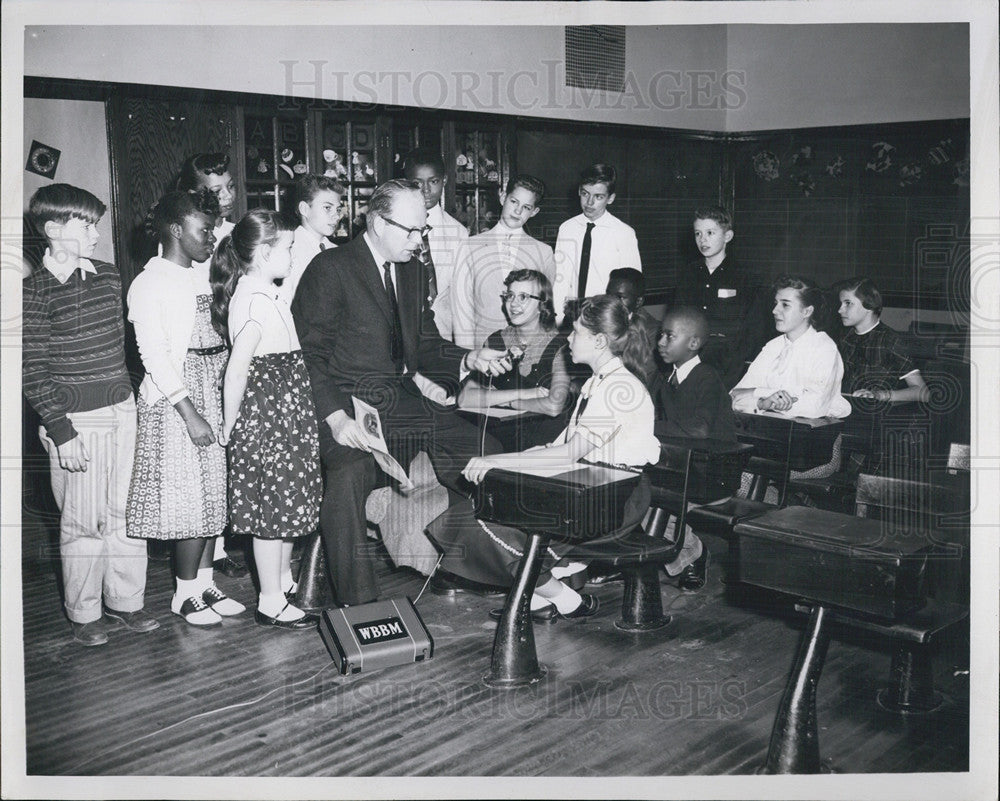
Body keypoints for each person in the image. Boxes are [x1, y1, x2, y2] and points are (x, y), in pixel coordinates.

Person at [290, 179, 513, 606]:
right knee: (349, 477)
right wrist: (337, 419)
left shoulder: (412, 270)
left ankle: (510, 570)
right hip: (345, 407)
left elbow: (424, 342)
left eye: (422, 230)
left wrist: (471, 359)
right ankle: (363, 607)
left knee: (485, 446)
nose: (418, 240)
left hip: (399, 402)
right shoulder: (331, 269)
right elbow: (308, 357)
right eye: (409, 231)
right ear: (375, 222)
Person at [429, 294, 659, 621]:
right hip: (592, 486)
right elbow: (560, 448)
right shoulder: (599, 382)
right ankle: (542, 597)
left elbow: (569, 454)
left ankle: (564, 599)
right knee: (486, 511)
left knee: (497, 523)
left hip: (616, 497)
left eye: (576, 332)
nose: (567, 338)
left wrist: (497, 462)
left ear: (599, 341)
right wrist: (518, 460)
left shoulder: (618, 388)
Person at [23, 184, 156, 646]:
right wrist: (61, 432)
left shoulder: (108, 275)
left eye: (96, 223)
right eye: (87, 224)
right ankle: (84, 613)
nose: (97, 232)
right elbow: (33, 371)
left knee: (125, 512)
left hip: (123, 409)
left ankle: (126, 603)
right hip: (77, 421)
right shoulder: (33, 292)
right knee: (83, 521)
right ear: (54, 230)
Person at [126, 189, 247, 626]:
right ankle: (184, 592)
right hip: (178, 399)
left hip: (210, 384)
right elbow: (154, 356)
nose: (212, 238)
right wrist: (190, 411)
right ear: (176, 230)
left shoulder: (198, 273)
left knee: (214, 493)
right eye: (204, 230)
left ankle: (205, 582)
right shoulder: (149, 282)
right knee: (188, 500)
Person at [211, 209, 323, 630]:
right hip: (269, 420)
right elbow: (237, 371)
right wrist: (229, 423)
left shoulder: (268, 291)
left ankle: (283, 579)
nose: (293, 254)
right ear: (262, 252)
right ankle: (270, 601)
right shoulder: (254, 300)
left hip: (287, 414)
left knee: (289, 503)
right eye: (288, 248)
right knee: (271, 513)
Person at [175, 151, 247, 577]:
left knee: (231, 445)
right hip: (199, 353)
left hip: (234, 344)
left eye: (229, 187)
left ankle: (222, 536)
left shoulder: (240, 234)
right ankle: (210, 551)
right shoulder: (187, 237)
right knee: (206, 457)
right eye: (213, 190)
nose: (224, 197)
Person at [731, 275, 851, 492]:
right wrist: (765, 398)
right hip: (769, 443)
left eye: (785, 305)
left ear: (807, 311)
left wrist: (762, 400)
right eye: (776, 303)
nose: (775, 310)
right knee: (730, 468)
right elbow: (734, 396)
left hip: (815, 452)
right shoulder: (773, 347)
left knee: (744, 475)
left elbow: (815, 407)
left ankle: (761, 522)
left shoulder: (824, 348)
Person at [655, 307, 738, 590]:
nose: (661, 342)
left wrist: (646, 426)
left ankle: (693, 553)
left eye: (669, 336)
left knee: (646, 498)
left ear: (693, 343)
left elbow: (699, 430)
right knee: (631, 490)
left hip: (711, 477)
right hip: (681, 472)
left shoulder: (706, 378)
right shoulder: (668, 379)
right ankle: (666, 555)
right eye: (660, 335)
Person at [458, 269, 572, 450]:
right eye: (510, 296)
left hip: (545, 442)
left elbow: (553, 405)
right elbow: (465, 398)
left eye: (523, 297)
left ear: (542, 304)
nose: (513, 303)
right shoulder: (496, 340)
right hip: (500, 437)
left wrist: (505, 401)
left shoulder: (562, 345)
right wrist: (523, 394)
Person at [451, 174, 556, 350]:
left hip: (528, 351)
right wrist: (468, 360)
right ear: (502, 197)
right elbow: (462, 310)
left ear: (534, 212)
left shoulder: (543, 252)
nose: (517, 211)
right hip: (483, 350)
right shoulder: (469, 246)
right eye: (514, 202)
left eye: (526, 207)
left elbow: (546, 310)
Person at [672, 205, 771, 389]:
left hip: (730, 366)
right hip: (691, 360)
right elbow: (679, 321)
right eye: (698, 233)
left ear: (727, 236)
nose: (703, 240)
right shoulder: (689, 274)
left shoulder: (745, 277)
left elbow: (753, 331)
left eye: (710, 232)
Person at [553, 164, 641, 322]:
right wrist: (557, 319)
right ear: (579, 191)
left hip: (604, 317)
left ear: (611, 198)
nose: (589, 202)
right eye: (585, 193)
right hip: (570, 315)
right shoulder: (566, 228)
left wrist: (621, 324)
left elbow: (630, 288)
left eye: (598, 196)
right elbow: (560, 278)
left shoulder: (624, 233)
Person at [402, 148, 470, 339]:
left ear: (445, 180)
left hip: (441, 332)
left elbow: (461, 297)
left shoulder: (458, 233)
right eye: (417, 183)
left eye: (433, 182)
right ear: (407, 183)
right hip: (400, 331)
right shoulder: (394, 227)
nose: (426, 190)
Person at [836, 277, 929, 403]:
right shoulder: (844, 337)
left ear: (869, 305)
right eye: (841, 304)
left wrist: (879, 395)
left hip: (874, 416)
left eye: (848, 303)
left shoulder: (891, 340)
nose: (840, 310)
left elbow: (922, 392)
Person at [278, 174, 344, 305]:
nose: (336, 216)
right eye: (327, 208)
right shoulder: (289, 251)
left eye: (338, 209)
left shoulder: (336, 251)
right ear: (305, 209)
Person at [606, 268, 661, 394]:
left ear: (638, 302)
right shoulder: (603, 321)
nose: (611, 302)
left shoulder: (654, 333)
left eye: (620, 297)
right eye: (609, 295)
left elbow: (642, 380)